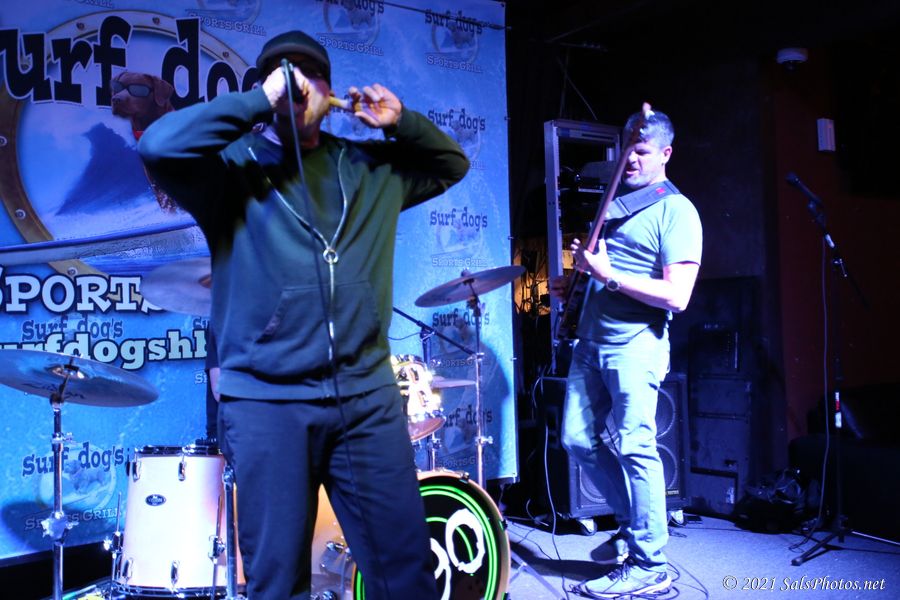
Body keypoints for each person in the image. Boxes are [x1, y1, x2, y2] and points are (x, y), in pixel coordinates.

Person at [139, 30, 469, 600]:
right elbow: (157, 146)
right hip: (268, 404)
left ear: (329, 89)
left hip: (365, 401)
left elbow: (451, 163)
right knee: (276, 584)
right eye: (281, 75)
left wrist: (400, 123)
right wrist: (256, 101)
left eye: (308, 74)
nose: (296, 85)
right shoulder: (229, 172)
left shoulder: (369, 168)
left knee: (405, 573)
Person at [550, 108, 702, 598]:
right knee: (576, 439)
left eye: (641, 151)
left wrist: (609, 276)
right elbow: (607, 273)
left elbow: (677, 296)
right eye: (627, 152)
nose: (630, 160)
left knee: (637, 447)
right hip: (591, 341)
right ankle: (632, 525)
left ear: (665, 153)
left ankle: (650, 563)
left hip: (636, 345)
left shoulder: (677, 211)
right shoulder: (619, 204)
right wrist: (577, 284)